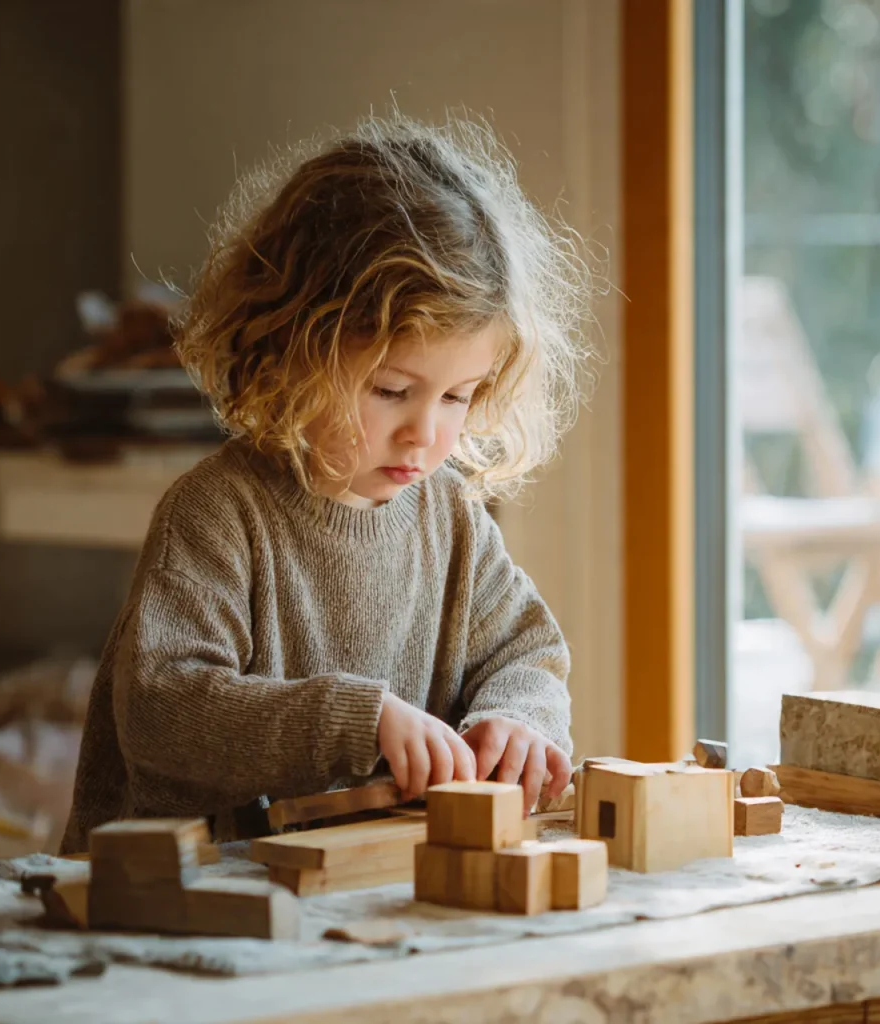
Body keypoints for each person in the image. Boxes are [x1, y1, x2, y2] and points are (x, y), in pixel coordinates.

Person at [60, 113, 595, 854]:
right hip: (173, 896)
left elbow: (525, 652)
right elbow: (160, 707)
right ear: (293, 349)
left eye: (457, 396)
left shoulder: (449, 517)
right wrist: (356, 721)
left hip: (349, 890)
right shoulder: (217, 512)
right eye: (391, 390)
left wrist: (519, 721)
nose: (425, 433)